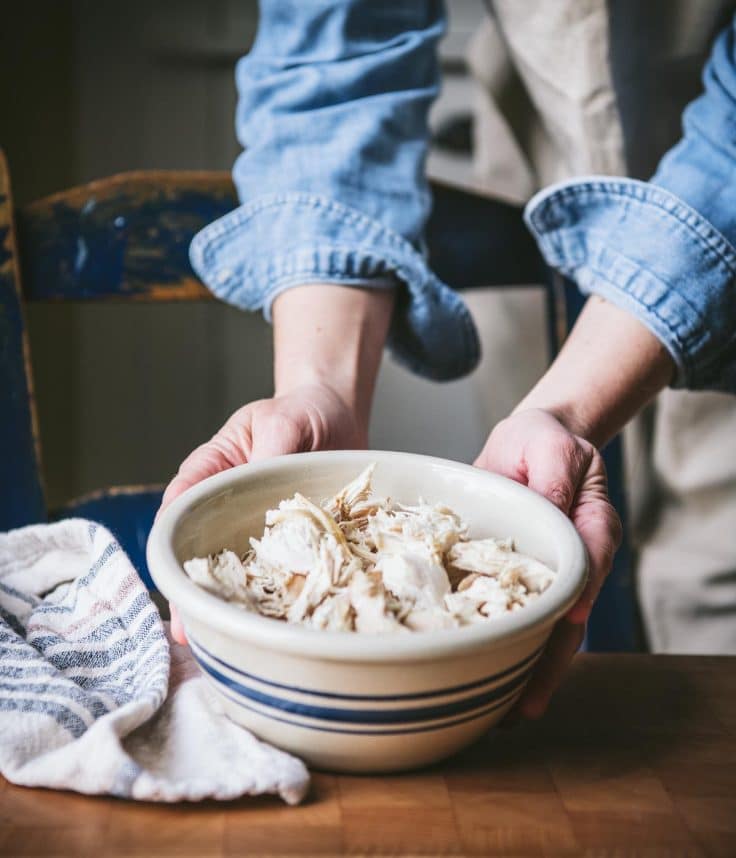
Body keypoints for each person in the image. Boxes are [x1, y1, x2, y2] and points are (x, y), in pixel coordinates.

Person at [161, 2, 736, 718]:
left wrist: (565, 406)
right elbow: (338, 62)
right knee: (546, 523)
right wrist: (319, 389)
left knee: (717, 576)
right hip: (546, 143)